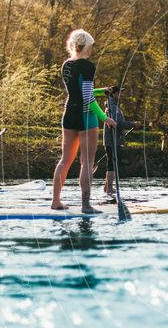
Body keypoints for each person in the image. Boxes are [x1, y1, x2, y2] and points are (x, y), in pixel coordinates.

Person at [51, 29, 116, 213]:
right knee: (87, 162)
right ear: (87, 46)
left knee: (65, 160)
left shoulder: (66, 65)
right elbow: (87, 98)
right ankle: (86, 205)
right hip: (86, 117)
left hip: (69, 114)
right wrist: (105, 118)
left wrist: (99, 90)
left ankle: (55, 202)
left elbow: (79, 93)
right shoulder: (88, 66)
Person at [97, 85, 139, 198]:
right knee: (112, 164)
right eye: (119, 93)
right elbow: (118, 124)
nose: (121, 95)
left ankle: (107, 187)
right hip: (112, 141)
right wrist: (133, 124)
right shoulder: (113, 107)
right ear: (114, 94)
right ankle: (109, 188)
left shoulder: (112, 106)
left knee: (111, 163)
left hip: (112, 140)